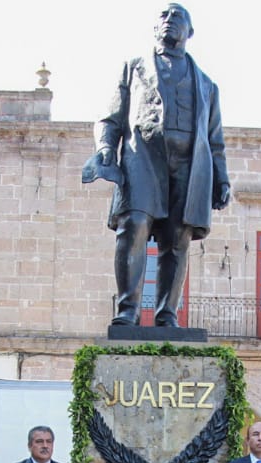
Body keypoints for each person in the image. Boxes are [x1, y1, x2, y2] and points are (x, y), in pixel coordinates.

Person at [91, 3, 231, 327]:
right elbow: (110, 119)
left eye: (178, 16)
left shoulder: (208, 85)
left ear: (190, 32)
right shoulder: (133, 68)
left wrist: (222, 179)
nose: (170, 21)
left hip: (191, 164)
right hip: (142, 156)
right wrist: (105, 149)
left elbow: (215, 140)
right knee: (134, 224)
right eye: (164, 16)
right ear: (155, 28)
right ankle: (127, 310)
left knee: (177, 238)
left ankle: (167, 314)